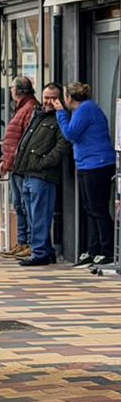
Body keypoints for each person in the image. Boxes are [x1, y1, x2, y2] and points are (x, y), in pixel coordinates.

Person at [55, 81, 116, 267]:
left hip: (97, 164)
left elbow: (71, 134)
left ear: (69, 98)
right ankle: (93, 249)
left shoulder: (85, 109)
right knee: (90, 209)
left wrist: (60, 114)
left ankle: (107, 250)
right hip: (86, 164)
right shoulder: (80, 110)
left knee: (98, 209)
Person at [11, 83, 71, 267]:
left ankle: (40, 253)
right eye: (46, 97)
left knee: (39, 216)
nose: (49, 101)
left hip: (43, 175)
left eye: (53, 98)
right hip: (27, 172)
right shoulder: (38, 115)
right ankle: (45, 250)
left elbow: (63, 145)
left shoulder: (61, 119)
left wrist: (43, 163)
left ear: (60, 99)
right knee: (31, 215)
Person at [0, 76, 37, 258]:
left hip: (21, 166)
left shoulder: (29, 108)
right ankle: (22, 242)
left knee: (24, 205)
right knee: (19, 206)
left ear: (17, 90)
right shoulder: (22, 108)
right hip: (15, 166)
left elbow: (23, 140)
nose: (11, 91)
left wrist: (7, 162)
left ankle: (29, 242)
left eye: (12, 88)